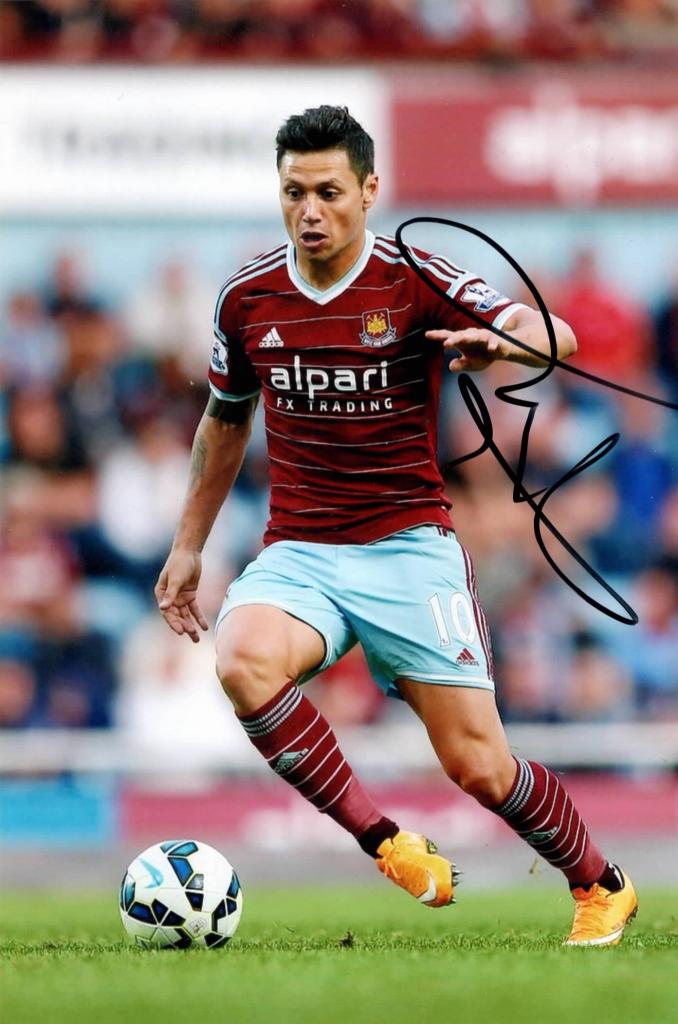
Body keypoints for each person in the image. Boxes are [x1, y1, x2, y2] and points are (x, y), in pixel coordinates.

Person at [156, 105, 637, 947]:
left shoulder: (413, 277)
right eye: (295, 192)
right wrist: (189, 544)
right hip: (300, 549)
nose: (310, 210)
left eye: (329, 192)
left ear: (369, 189)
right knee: (241, 659)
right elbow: (225, 419)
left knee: (479, 767)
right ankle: (385, 841)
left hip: (409, 550)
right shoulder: (246, 297)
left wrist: (504, 347)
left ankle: (601, 884)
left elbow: (550, 331)